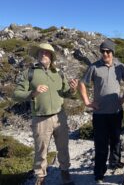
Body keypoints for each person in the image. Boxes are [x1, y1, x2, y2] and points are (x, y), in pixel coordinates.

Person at [13, 43, 78, 185]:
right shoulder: (29, 73)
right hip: (40, 119)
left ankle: (65, 172)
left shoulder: (59, 73)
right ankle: (40, 176)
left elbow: (66, 93)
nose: (43, 54)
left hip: (60, 116)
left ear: (51, 56)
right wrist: (33, 92)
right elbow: (16, 94)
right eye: (40, 52)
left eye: (46, 52)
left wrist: (73, 90)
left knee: (63, 147)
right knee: (41, 150)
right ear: (37, 55)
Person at [78, 39, 124, 184]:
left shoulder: (120, 66)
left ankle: (115, 161)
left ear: (113, 52)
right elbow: (82, 83)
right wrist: (87, 102)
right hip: (100, 114)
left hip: (116, 111)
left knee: (116, 139)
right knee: (100, 144)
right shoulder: (94, 67)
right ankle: (99, 172)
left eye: (108, 51)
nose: (105, 54)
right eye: (103, 51)